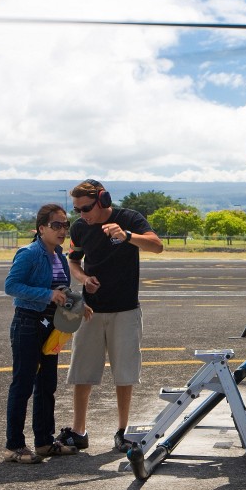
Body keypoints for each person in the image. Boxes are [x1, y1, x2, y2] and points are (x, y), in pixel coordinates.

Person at [57, 179, 163, 453]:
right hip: (91, 310)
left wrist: (127, 235)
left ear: (103, 200)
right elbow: (73, 261)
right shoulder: (81, 228)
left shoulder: (129, 218)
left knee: (124, 373)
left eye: (86, 208)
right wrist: (83, 278)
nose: (82, 215)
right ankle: (79, 431)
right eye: (77, 209)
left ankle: (123, 431)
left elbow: (156, 246)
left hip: (126, 309)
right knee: (82, 372)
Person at [3, 204, 86, 463]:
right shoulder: (28, 253)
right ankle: (14, 446)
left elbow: (62, 291)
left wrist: (80, 305)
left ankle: (44, 442)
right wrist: (47, 294)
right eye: (56, 225)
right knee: (23, 384)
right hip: (28, 323)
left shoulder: (60, 257)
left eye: (65, 225)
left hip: (52, 327)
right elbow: (11, 286)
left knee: (47, 386)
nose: (62, 230)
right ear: (41, 229)